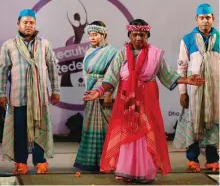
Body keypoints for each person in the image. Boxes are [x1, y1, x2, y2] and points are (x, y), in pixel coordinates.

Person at [83, 19, 205, 183]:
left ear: (147, 35)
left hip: (147, 102)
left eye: (142, 34)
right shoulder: (121, 54)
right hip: (126, 103)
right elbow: (111, 77)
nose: (138, 38)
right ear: (130, 35)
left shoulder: (155, 54)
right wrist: (99, 91)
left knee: (145, 134)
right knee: (127, 134)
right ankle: (126, 170)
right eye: (135, 34)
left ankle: (145, 171)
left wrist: (187, 80)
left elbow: (167, 76)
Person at [0, 9, 60, 174]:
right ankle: (21, 162)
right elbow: (2, 71)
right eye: (25, 22)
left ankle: (40, 162)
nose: (28, 25)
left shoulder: (44, 44)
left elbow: (53, 68)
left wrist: (55, 89)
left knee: (40, 128)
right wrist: (1, 93)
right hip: (18, 96)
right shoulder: (9, 45)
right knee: (19, 131)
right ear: (18, 24)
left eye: (31, 23)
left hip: (40, 97)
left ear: (35, 25)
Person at [173, 3, 219, 172]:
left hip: (215, 93)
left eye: (208, 17)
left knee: (213, 124)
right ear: (196, 20)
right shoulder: (187, 39)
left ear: (213, 19)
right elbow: (182, 67)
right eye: (202, 18)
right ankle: (193, 160)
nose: (205, 21)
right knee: (193, 125)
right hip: (194, 92)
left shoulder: (219, 38)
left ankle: (213, 160)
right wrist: (183, 92)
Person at [73, 21, 117, 171]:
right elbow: (86, 74)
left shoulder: (112, 52)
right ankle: (91, 161)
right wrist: (88, 89)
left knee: (105, 128)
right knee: (89, 127)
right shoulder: (89, 51)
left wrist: (109, 93)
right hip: (90, 93)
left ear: (104, 34)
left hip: (103, 92)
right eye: (90, 35)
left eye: (95, 34)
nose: (92, 37)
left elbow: (114, 75)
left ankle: (107, 162)